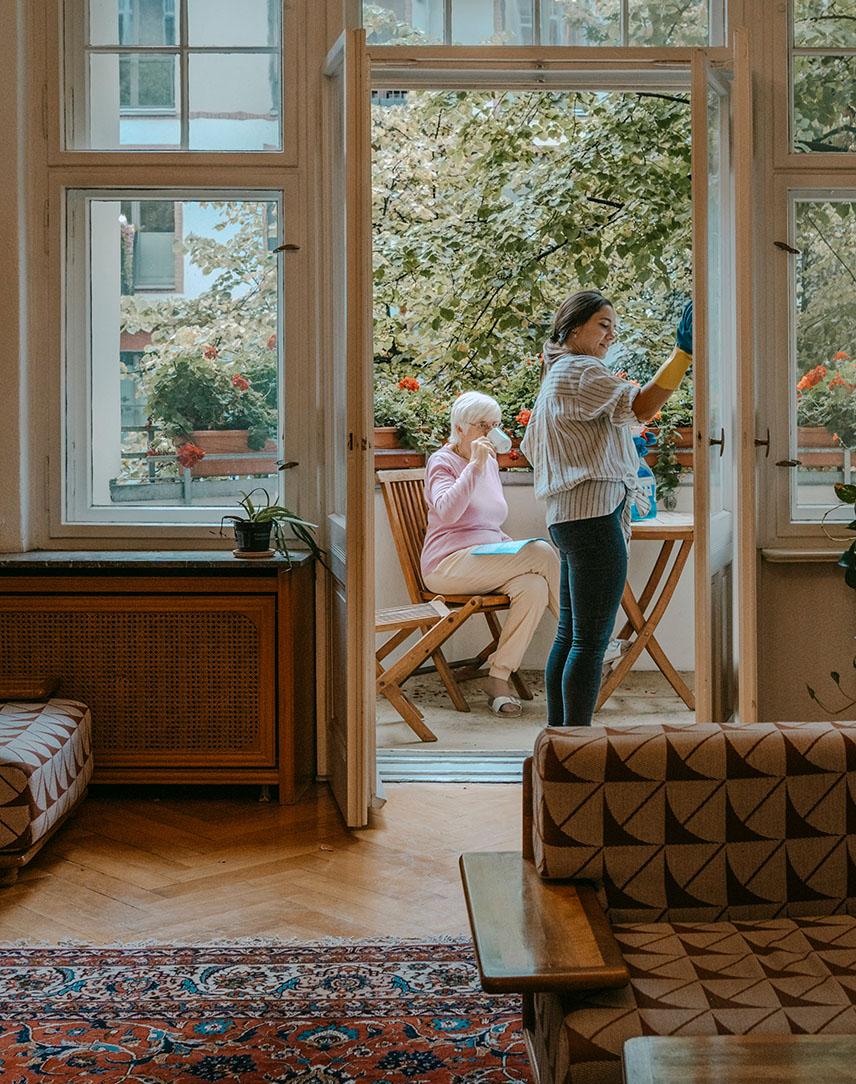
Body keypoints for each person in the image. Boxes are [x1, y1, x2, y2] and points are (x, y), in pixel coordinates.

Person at [521, 290, 693, 728]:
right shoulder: (579, 371)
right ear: (572, 328)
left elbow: (536, 446)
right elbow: (643, 407)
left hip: (571, 517)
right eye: (603, 323)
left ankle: (559, 742)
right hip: (594, 517)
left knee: (571, 637)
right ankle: (576, 751)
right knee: (591, 643)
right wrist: (682, 355)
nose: (611, 334)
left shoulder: (556, 376)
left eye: (614, 326)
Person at [421, 391, 560, 716]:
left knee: (533, 586)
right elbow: (448, 512)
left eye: (495, 425)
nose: (491, 433)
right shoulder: (443, 461)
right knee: (540, 551)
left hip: (483, 559)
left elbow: (489, 524)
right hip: (448, 565)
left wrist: (511, 549)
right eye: (484, 425)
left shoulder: (490, 463)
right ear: (460, 426)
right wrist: (473, 465)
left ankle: (498, 678)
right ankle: (588, 639)